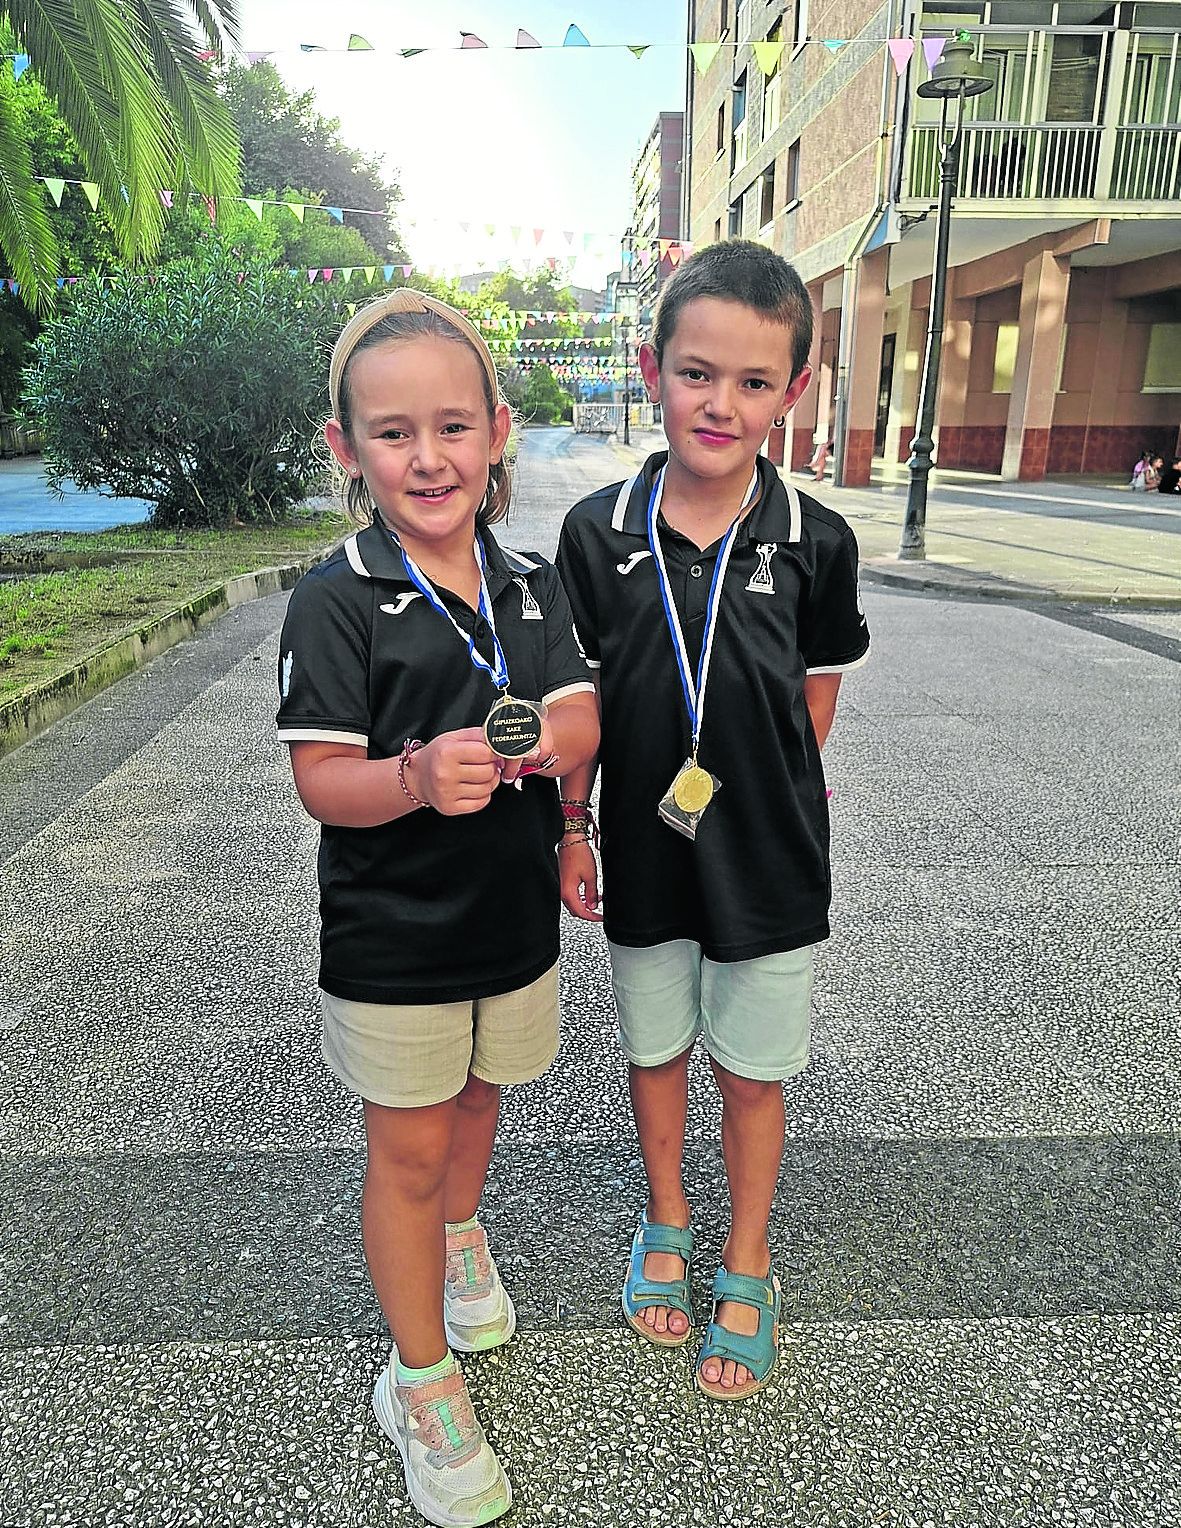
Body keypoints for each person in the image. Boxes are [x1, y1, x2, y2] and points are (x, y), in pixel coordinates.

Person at [276, 289, 598, 1526]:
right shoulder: (339, 597)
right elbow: (322, 781)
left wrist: (554, 791)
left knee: (479, 1100)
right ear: (345, 448)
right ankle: (417, 1380)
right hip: (392, 938)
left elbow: (581, 716)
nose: (428, 456)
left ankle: (463, 1232)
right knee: (405, 1147)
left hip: (510, 923)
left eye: (452, 426)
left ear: (498, 432)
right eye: (394, 431)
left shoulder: (528, 580)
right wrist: (410, 776)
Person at [555, 242, 869, 1402]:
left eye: (751, 382)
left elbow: (815, 693)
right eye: (696, 374)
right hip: (640, 848)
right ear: (652, 371)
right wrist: (574, 827)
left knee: (751, 1066)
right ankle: (667, 1216)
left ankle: (746, 1253)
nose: (719, 403)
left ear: (791, 392)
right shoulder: (597, 533)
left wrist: (764, 792)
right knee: (654, 1047)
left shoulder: (814, 539)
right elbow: (573, 707)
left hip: (767, 860)